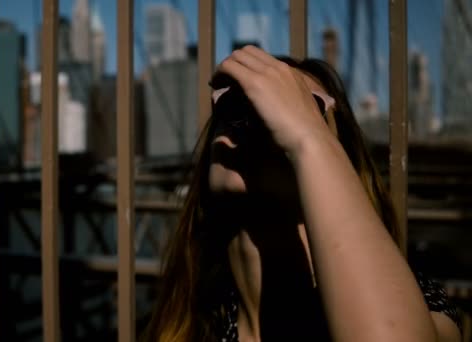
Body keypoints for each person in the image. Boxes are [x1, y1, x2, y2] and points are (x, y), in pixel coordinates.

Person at [142, 46, 461, 341]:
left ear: (338, 159)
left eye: (302, 106)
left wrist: (306, 137)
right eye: (239, 104)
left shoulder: (412, 300)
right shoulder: (197, 314)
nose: (265, 119)